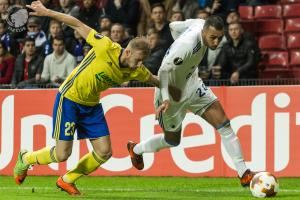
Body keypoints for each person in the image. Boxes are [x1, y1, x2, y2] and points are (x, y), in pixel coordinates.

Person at [13, 0, 159, 196]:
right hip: (70, 98)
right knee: (62, 154)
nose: (140, 64)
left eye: (142, 61)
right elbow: (77, 24)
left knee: (105, 152)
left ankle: (67, 179)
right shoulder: (105, 46)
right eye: (138, 59)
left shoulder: (136, 71)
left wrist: (183, 85)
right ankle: (26, 158)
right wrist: (47, 12)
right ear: (129, 51)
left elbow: (156, 80)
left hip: (91, 106)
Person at [127, 16, 255, 187]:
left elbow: (172, 25)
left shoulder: (199, 23)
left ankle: (243, 173)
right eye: (212, 38)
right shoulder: (184, 48)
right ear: (204, 32)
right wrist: (166, 99)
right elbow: (163, 73)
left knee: (224, 125)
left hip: (192, 83)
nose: (216, 42)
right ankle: (136, 150)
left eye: (219, 37)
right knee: (173, 141)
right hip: (170, 94)